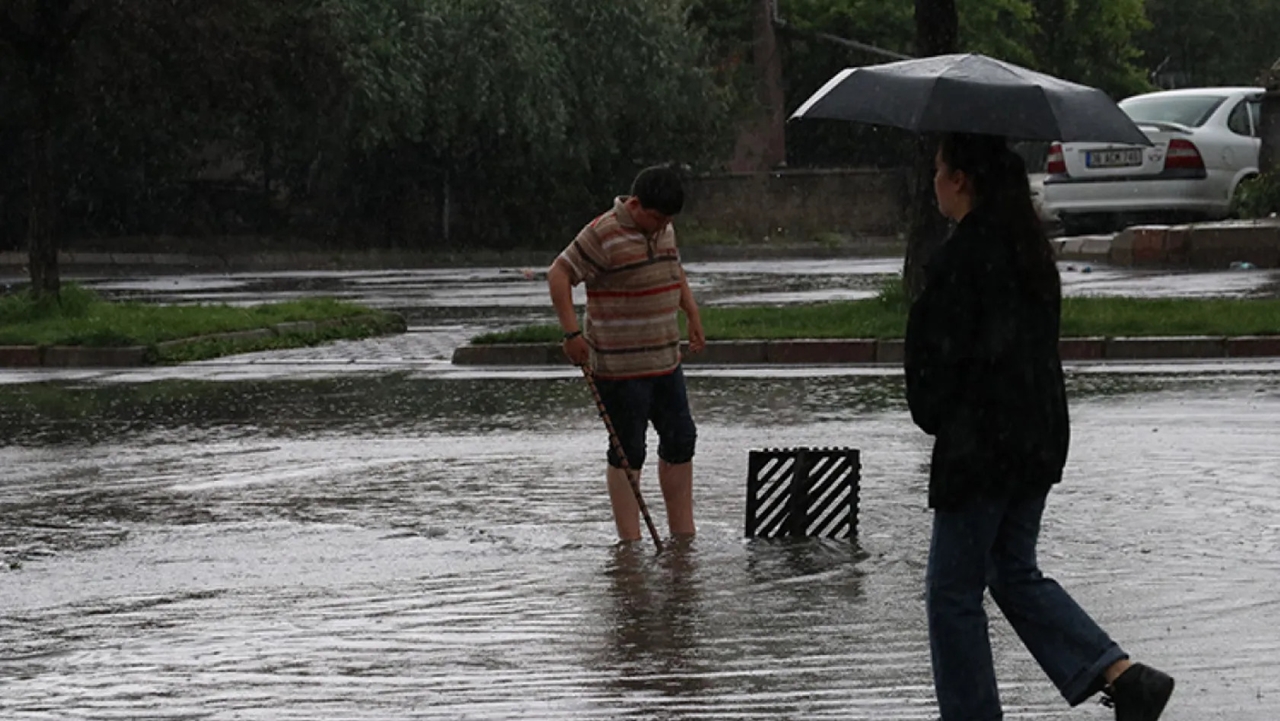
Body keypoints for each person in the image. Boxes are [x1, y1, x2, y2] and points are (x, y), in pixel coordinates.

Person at [904, 133, 1176, 721]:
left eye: (938, 171)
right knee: (1012, 571)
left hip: (982, 448)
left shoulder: (961, 259)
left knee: (951, 593)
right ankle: (1123, 677)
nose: (933, 183)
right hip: (1038, 437)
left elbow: (937, 365)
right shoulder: (1032, 252)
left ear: (961, 181)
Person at [547, 165, 705, 542]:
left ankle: (683, 533)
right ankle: (630, 541)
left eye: (668, 219)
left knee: (681, 439)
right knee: (628, 449)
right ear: (635, 205)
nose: (662, 224)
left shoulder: (665, 228)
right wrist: (572, 334)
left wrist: (692, 312)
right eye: (656, 217)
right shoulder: (602, 234)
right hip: (619, 366)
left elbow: (674, 269)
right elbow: (559, 274)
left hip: (666, 359)